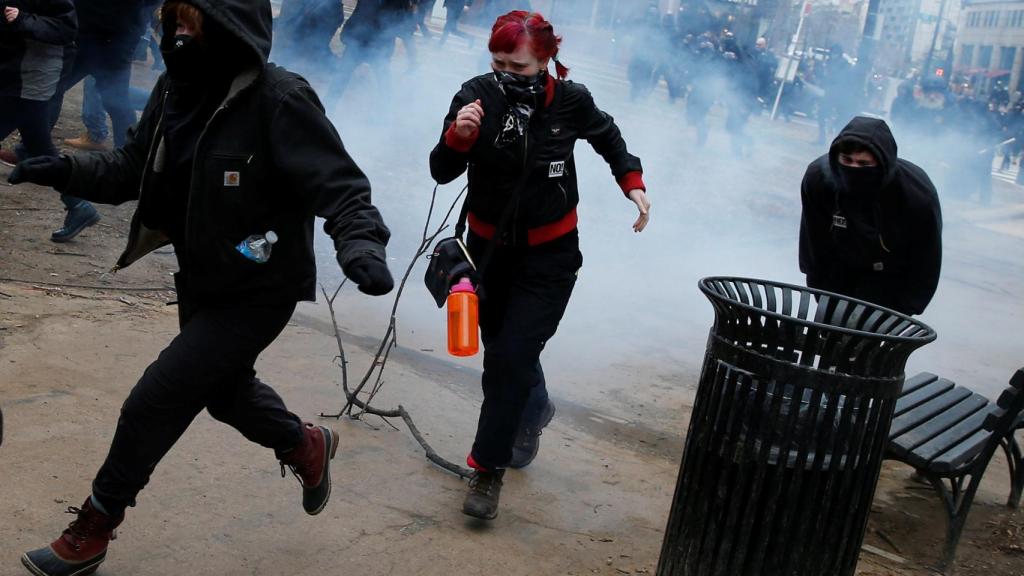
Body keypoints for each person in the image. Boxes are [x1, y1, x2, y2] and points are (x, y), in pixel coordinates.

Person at [8, 1, 394, 574]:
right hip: (202, 277)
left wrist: (360, 245)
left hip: (262, 285)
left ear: (228, 24)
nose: (175, 33)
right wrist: (61, 169)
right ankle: (304, 444)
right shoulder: (175, 89)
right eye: (172, 22)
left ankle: (96, 524)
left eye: (190, 22)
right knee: (224, 395)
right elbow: (127, 170)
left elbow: (343, 189)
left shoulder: (279, 98)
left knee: (155, 400)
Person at [429, 10, 650, 520]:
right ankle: (536, 407)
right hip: (486, 256)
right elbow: (441, 171)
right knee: (506, 353)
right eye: (499, 62)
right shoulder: (475, 94)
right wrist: (458, 137)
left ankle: (487, 470)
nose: (508, 73)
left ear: (546, 61)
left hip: (550, 257)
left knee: (507, 362)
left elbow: (608, 136)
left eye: (521, 67)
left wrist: (633, 185)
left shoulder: (570, 99)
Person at [799, 116, 942, 316]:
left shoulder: (917, 195)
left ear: (882, 163)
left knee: (865, 338)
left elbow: (927, 258)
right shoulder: (818, 179)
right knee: (829, 334)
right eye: (847, 161)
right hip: (838, 268)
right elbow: (813, 238)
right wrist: (818, 285)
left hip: (890, 275)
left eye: (864, 164)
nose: (854, 169)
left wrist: (907, 308)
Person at [0, 1, 76, 169]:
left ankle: (77, 184)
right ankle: (74, 186)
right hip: (11, 68)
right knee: (38, 146)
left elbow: (66, 28)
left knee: (38, 144)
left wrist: (22, 19)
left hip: (34, 73)